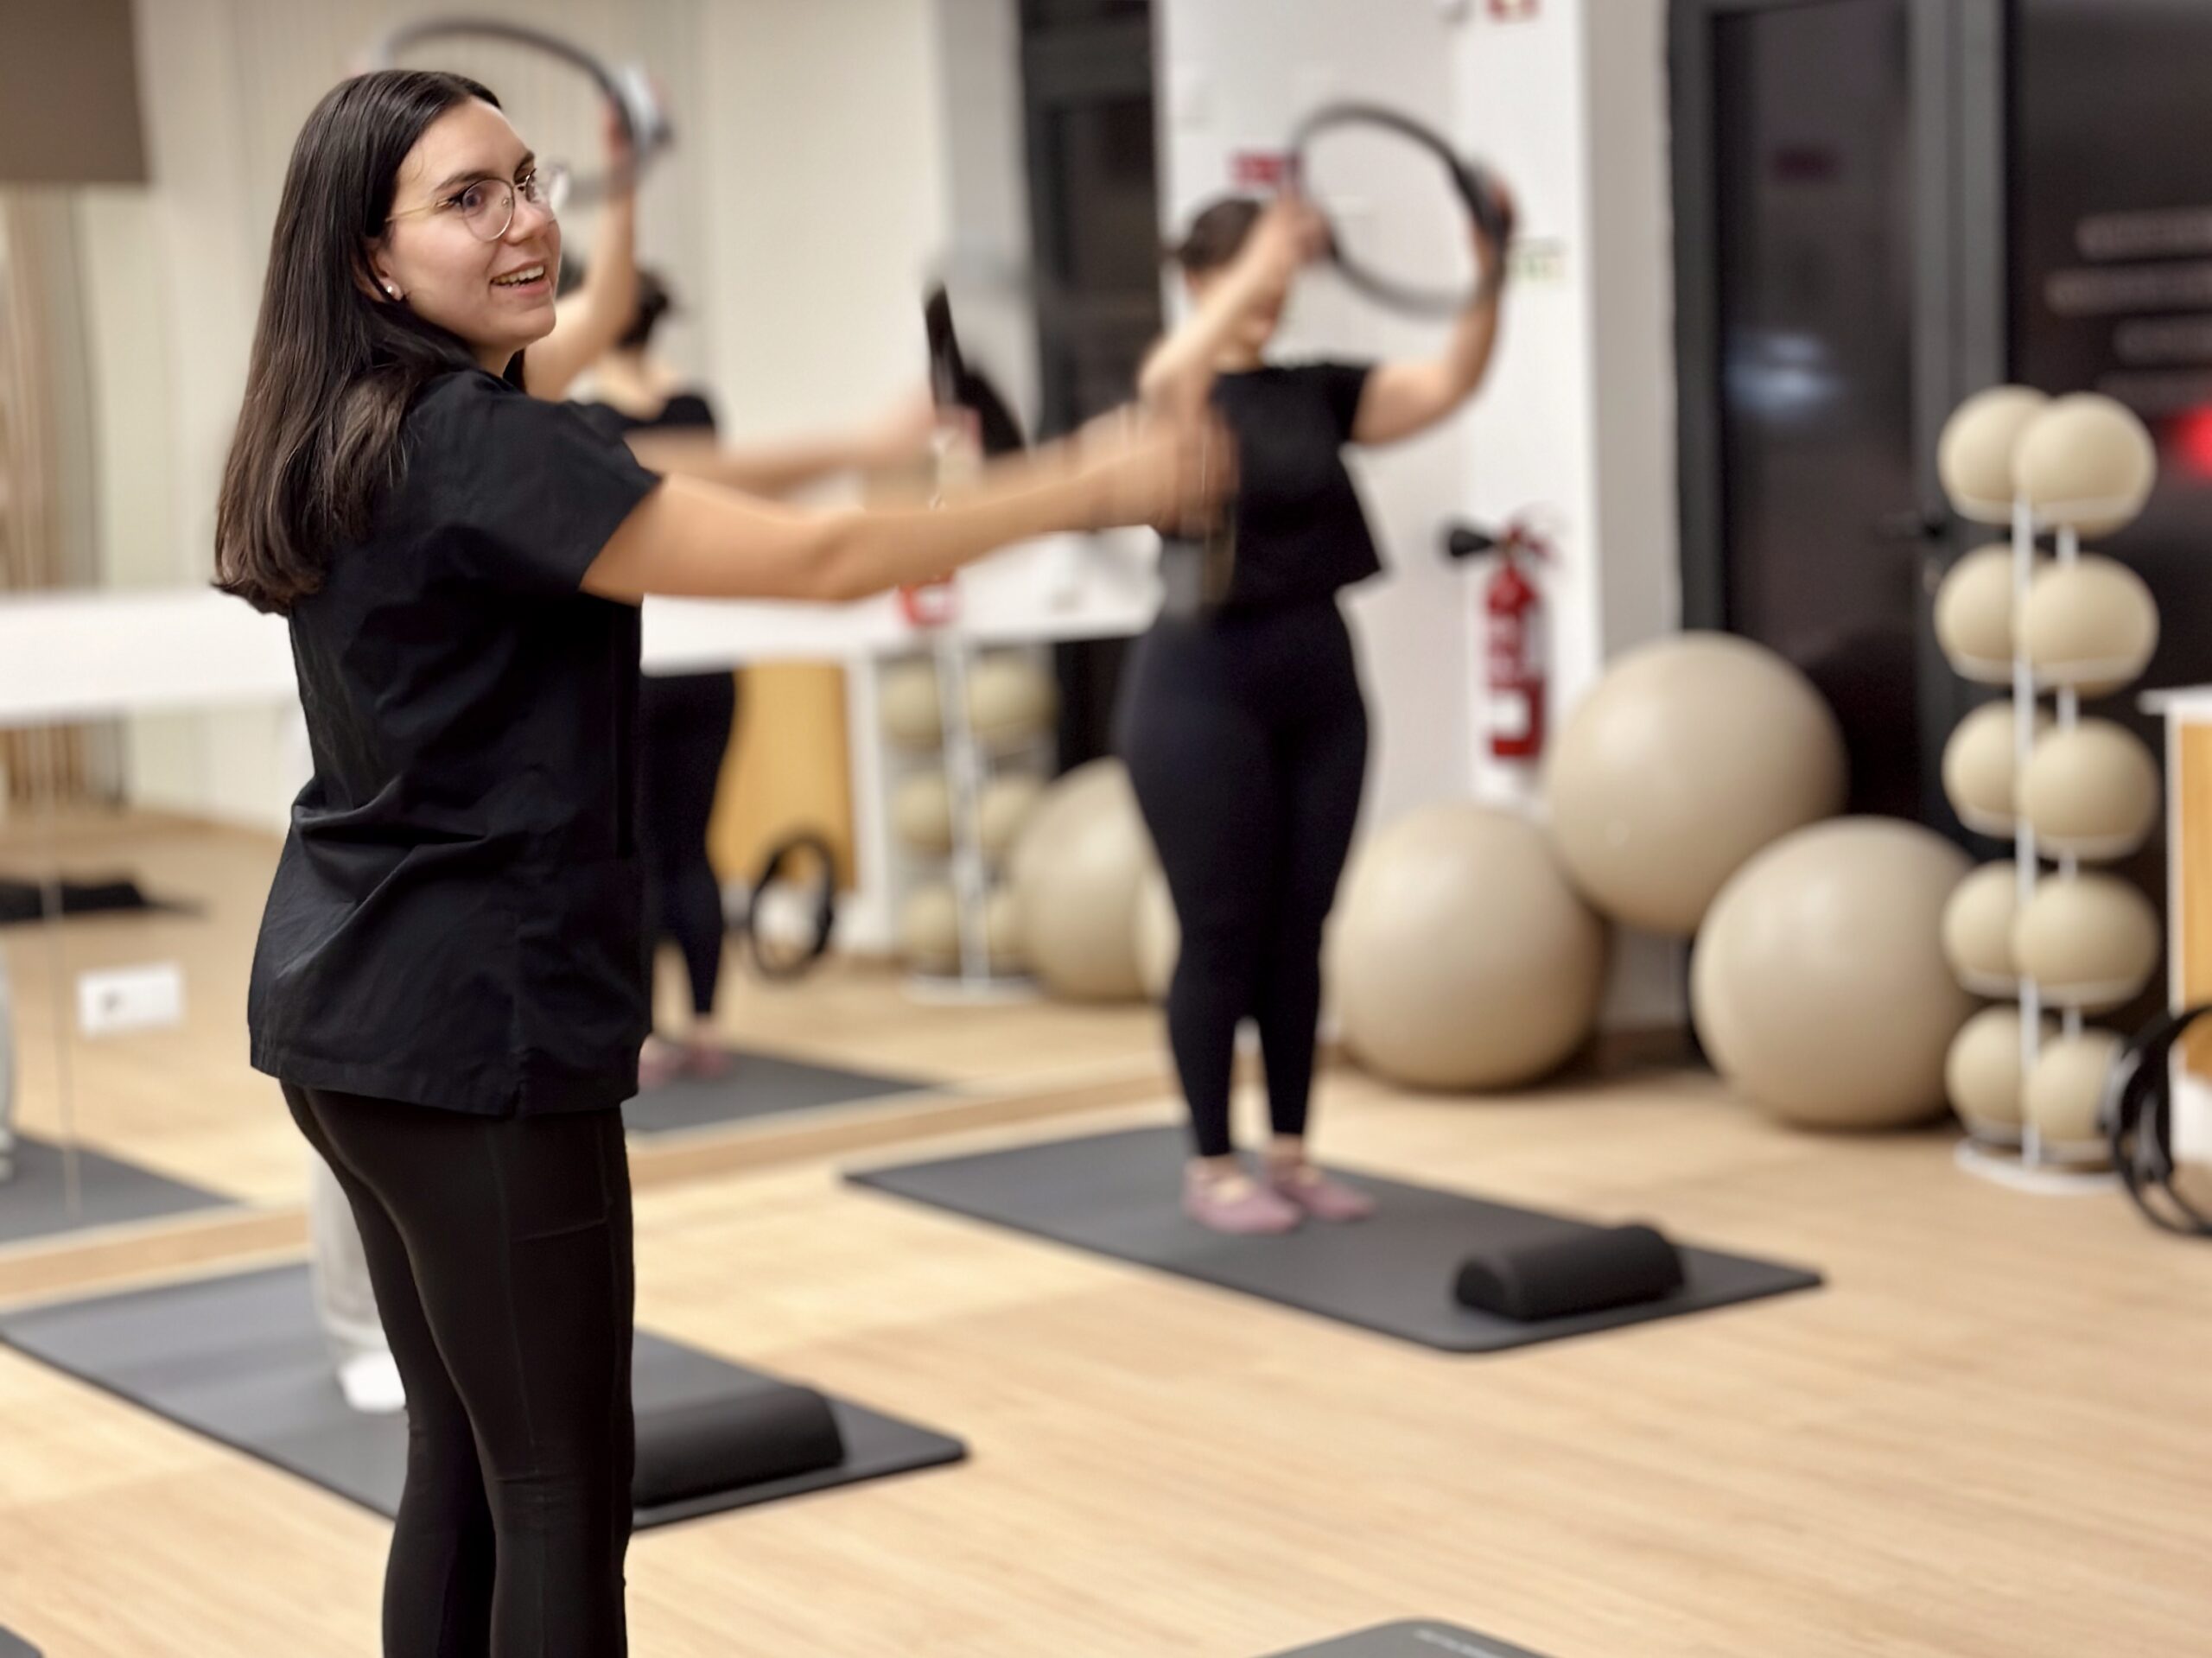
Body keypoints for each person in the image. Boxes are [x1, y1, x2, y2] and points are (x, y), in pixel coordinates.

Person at [215, 68, 1216, 1656]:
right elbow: (815, 568)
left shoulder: (363, 430)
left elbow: (690, 493)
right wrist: (1096, 482)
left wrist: (889, 441)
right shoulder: (475, 443)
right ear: (370, 260)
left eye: (527, 180)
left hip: (350, 1009)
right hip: (479, 1020)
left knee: (468, 1470)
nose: (528, 219)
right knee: (557, 1491)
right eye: (469, 198)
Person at [1118, 189, 1510, 1236]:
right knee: (1220, 932)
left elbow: (1447, 381)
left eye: (1283, 275)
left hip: (1319, 676)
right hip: (1199, 686)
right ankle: (1213, 1165)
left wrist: (1491, 270)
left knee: (1301, 930)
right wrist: (1260, 257)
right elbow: (1170, 373)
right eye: (1253, 273)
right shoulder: (1178, 390)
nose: (1277, 289)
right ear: (1201, 280)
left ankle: (1289, 1153)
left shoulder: (1312, 390)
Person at [558, 264, 933, 1086]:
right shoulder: (698, 410)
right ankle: (706, 1024)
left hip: (642, 658)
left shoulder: (583, 422)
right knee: (693, 846)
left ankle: (651, 1032)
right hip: (711, 661)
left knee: (643, 849)